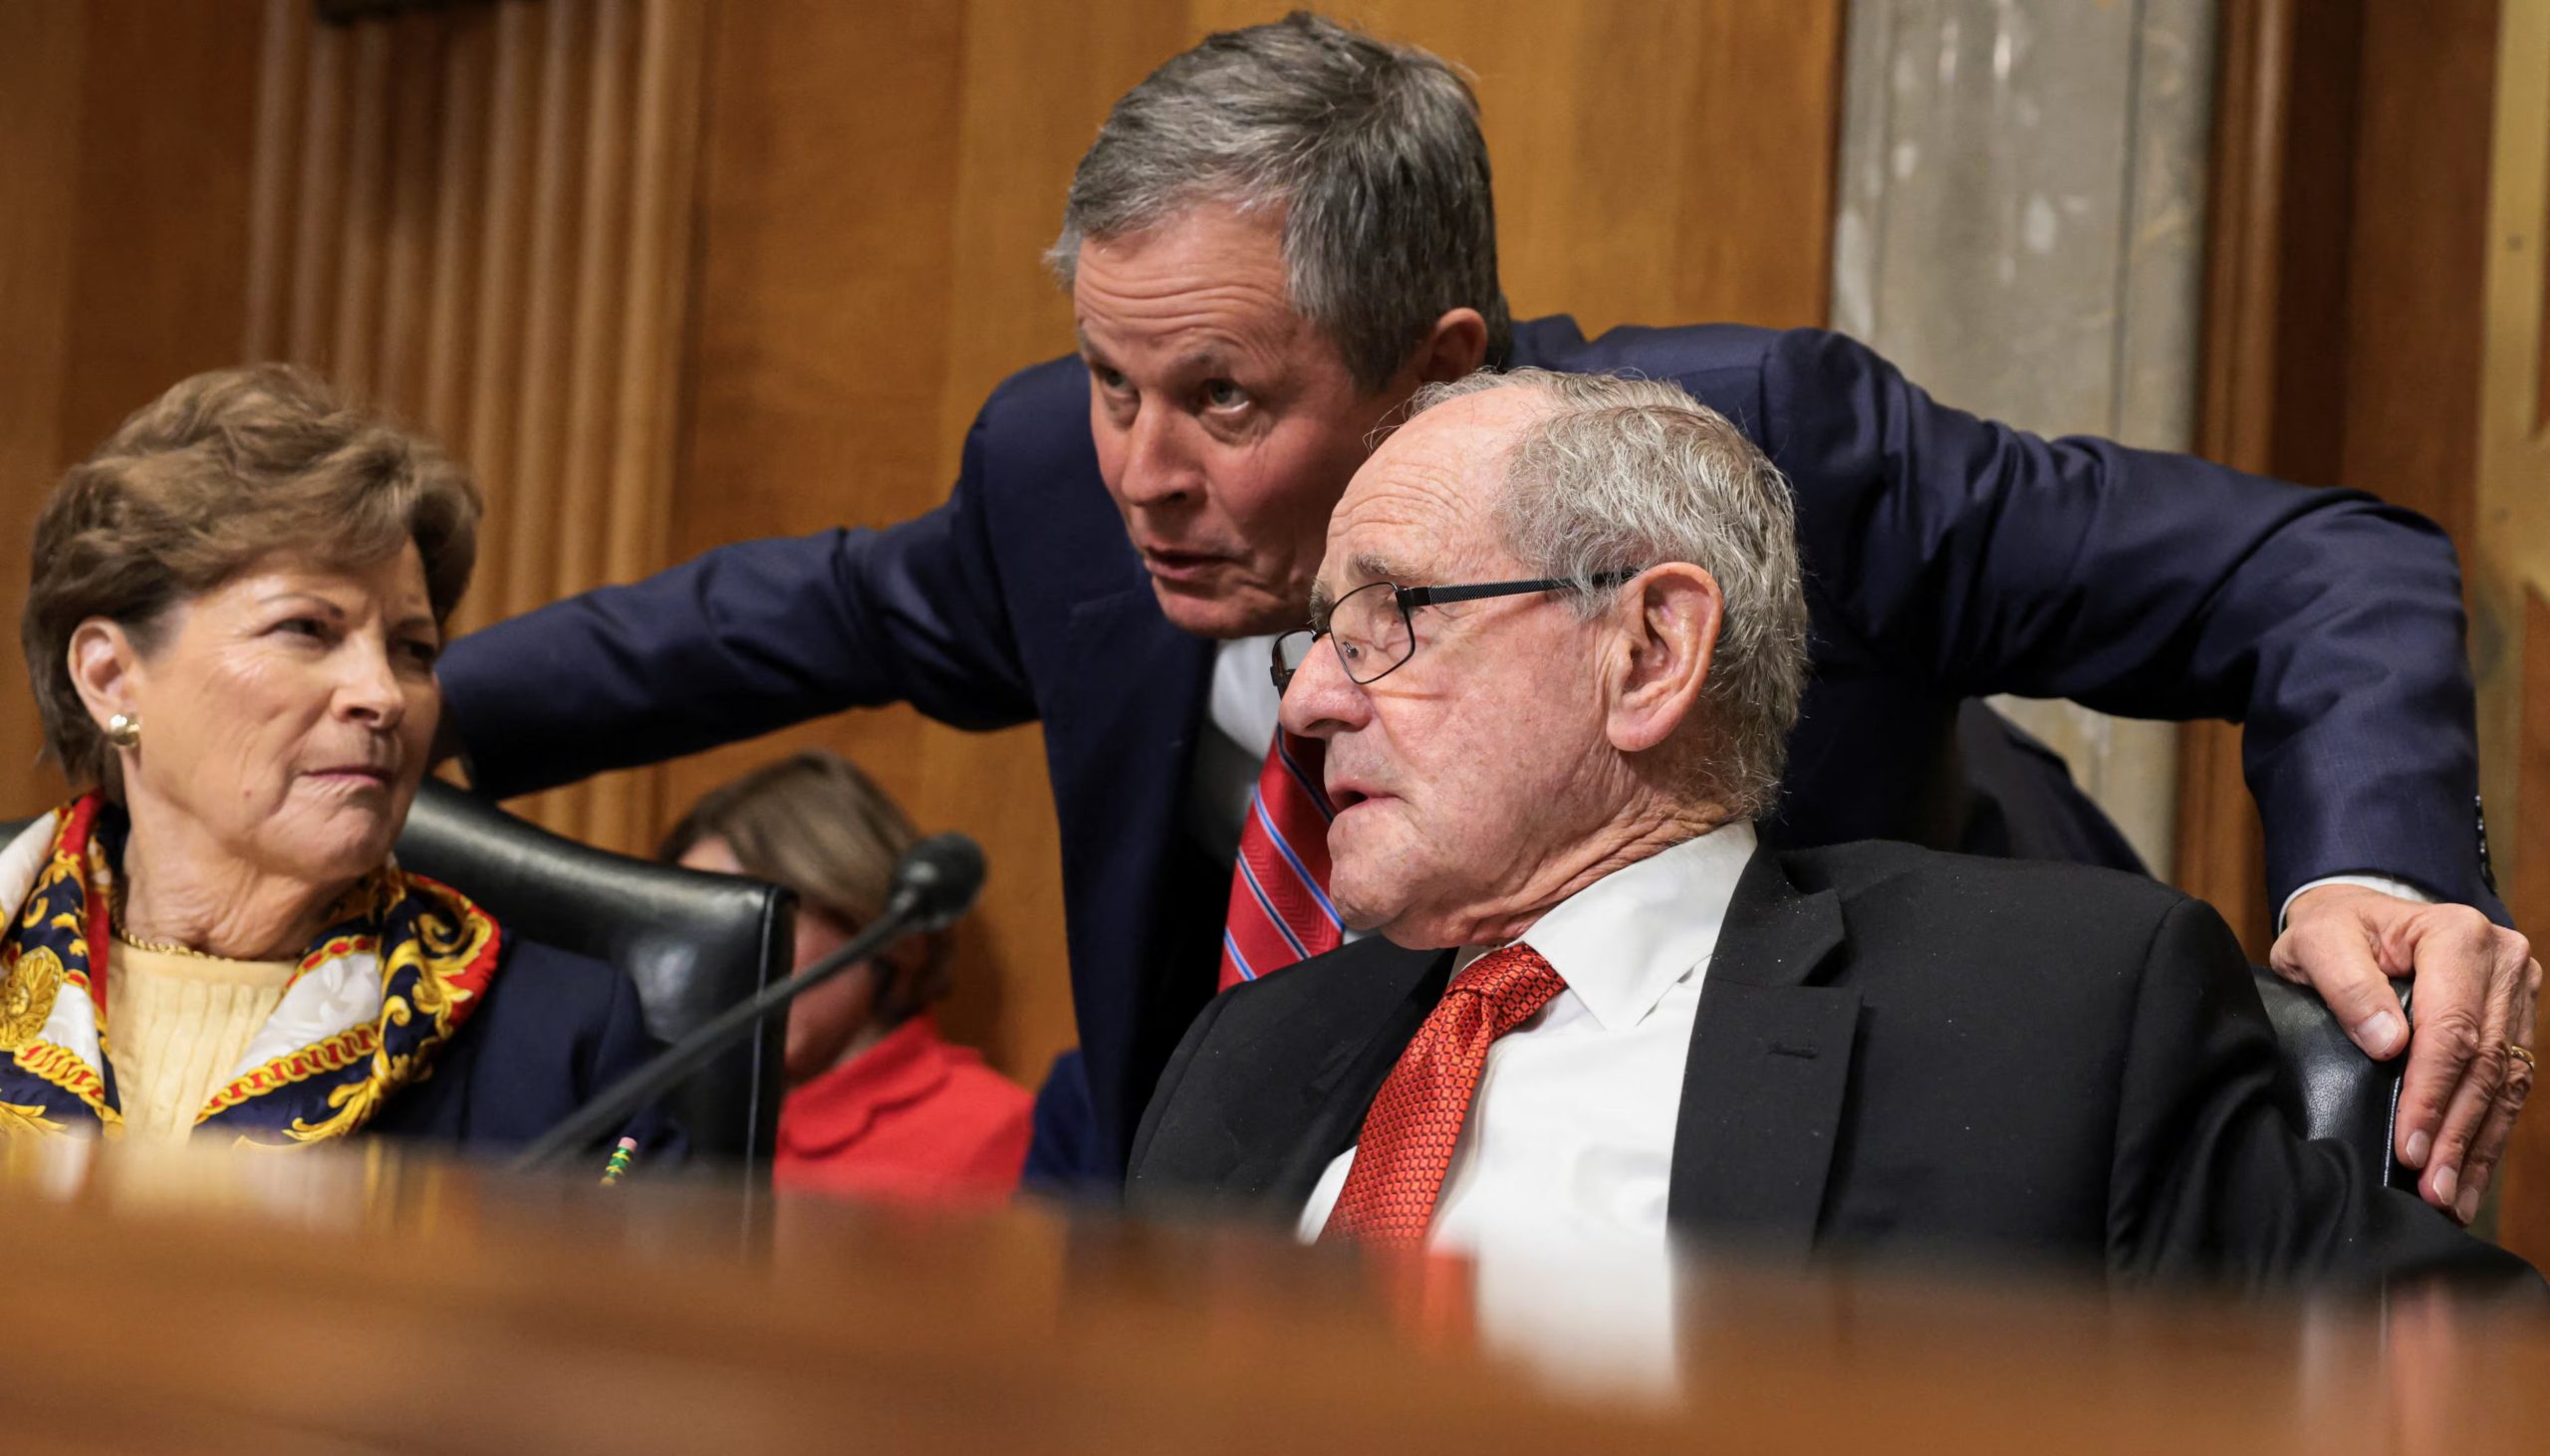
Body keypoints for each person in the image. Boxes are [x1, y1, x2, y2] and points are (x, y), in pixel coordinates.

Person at [434, 13, 2536, 1211]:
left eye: (1225, 401)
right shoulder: (1062, 492)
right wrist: (411, 717)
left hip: (1818, 1200)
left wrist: (2371, 858)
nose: (1140, 470)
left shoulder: (1757, 451)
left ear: (1436, 368)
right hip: (1253, 1232)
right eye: (1106, 378)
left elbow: (2306, 563)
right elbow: (756, 623)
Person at [1126, 369, 2534, 1293]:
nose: (1306, 699)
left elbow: (2462, 1409)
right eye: (1316, 636)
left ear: (1649, 650)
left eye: (1393, 618)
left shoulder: (2053, 1018)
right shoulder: (1246, 1055)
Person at [1, 365, 657, 1155]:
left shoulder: (559, 1044)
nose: (382, 694)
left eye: (413, 649)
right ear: (111, 676)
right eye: (306, 629)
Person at [659, 751, 1031, 1203]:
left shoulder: (992, 1131)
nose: (716, 968)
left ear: (875, 925)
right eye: (695, 934)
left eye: (758, 930)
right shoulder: (660, 1113)